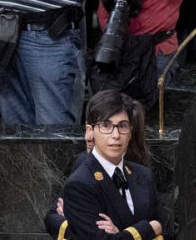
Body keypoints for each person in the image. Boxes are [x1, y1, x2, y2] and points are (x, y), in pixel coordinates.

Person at [60, 91, 165, 239]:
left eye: (122, 126)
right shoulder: (80, 183)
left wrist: (120, 233)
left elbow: (166, 228)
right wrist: (149, 228)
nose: (115, 135)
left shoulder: (143, 174)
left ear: (130, 132)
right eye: (106, 125)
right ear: (91, 131)